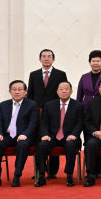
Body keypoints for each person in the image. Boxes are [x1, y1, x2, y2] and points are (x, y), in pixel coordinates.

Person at [27, 49, 68, 180]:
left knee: (54, 137)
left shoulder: (60, 74)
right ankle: (39, 170)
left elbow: (64, 92)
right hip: (38, 112)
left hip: (55, 112)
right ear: (40, 59)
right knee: (39, 140)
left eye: (49, 56)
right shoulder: (33, 75)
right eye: (44, 56)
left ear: (53, 59)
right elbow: (30, 94)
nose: (46, 58)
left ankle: (52, 171)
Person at [35, 81, 83, 187]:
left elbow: (79, 123)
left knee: (70, 145)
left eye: (66, 89)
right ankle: (41, 175)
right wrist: (44, 134)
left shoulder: (78, 105)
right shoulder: (49, 105)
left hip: (69, 136)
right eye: (61, 89)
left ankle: (69, 175)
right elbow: (44, 122)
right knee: (42, 145)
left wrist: (74, 135)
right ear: (57, 92)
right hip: (52, 136)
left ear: (71, 91)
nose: (64, 91)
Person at [0, 80, 36, 188]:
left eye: (20, 89)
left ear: (25, 92)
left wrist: (25, 135)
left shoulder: (31, 105)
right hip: (7, 135)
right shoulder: (3, 105)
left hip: (23, 136)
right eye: (14, 89)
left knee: (23, 145)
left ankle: (17, 176)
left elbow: (33, 123)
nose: (17, 92)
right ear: (10, 91)